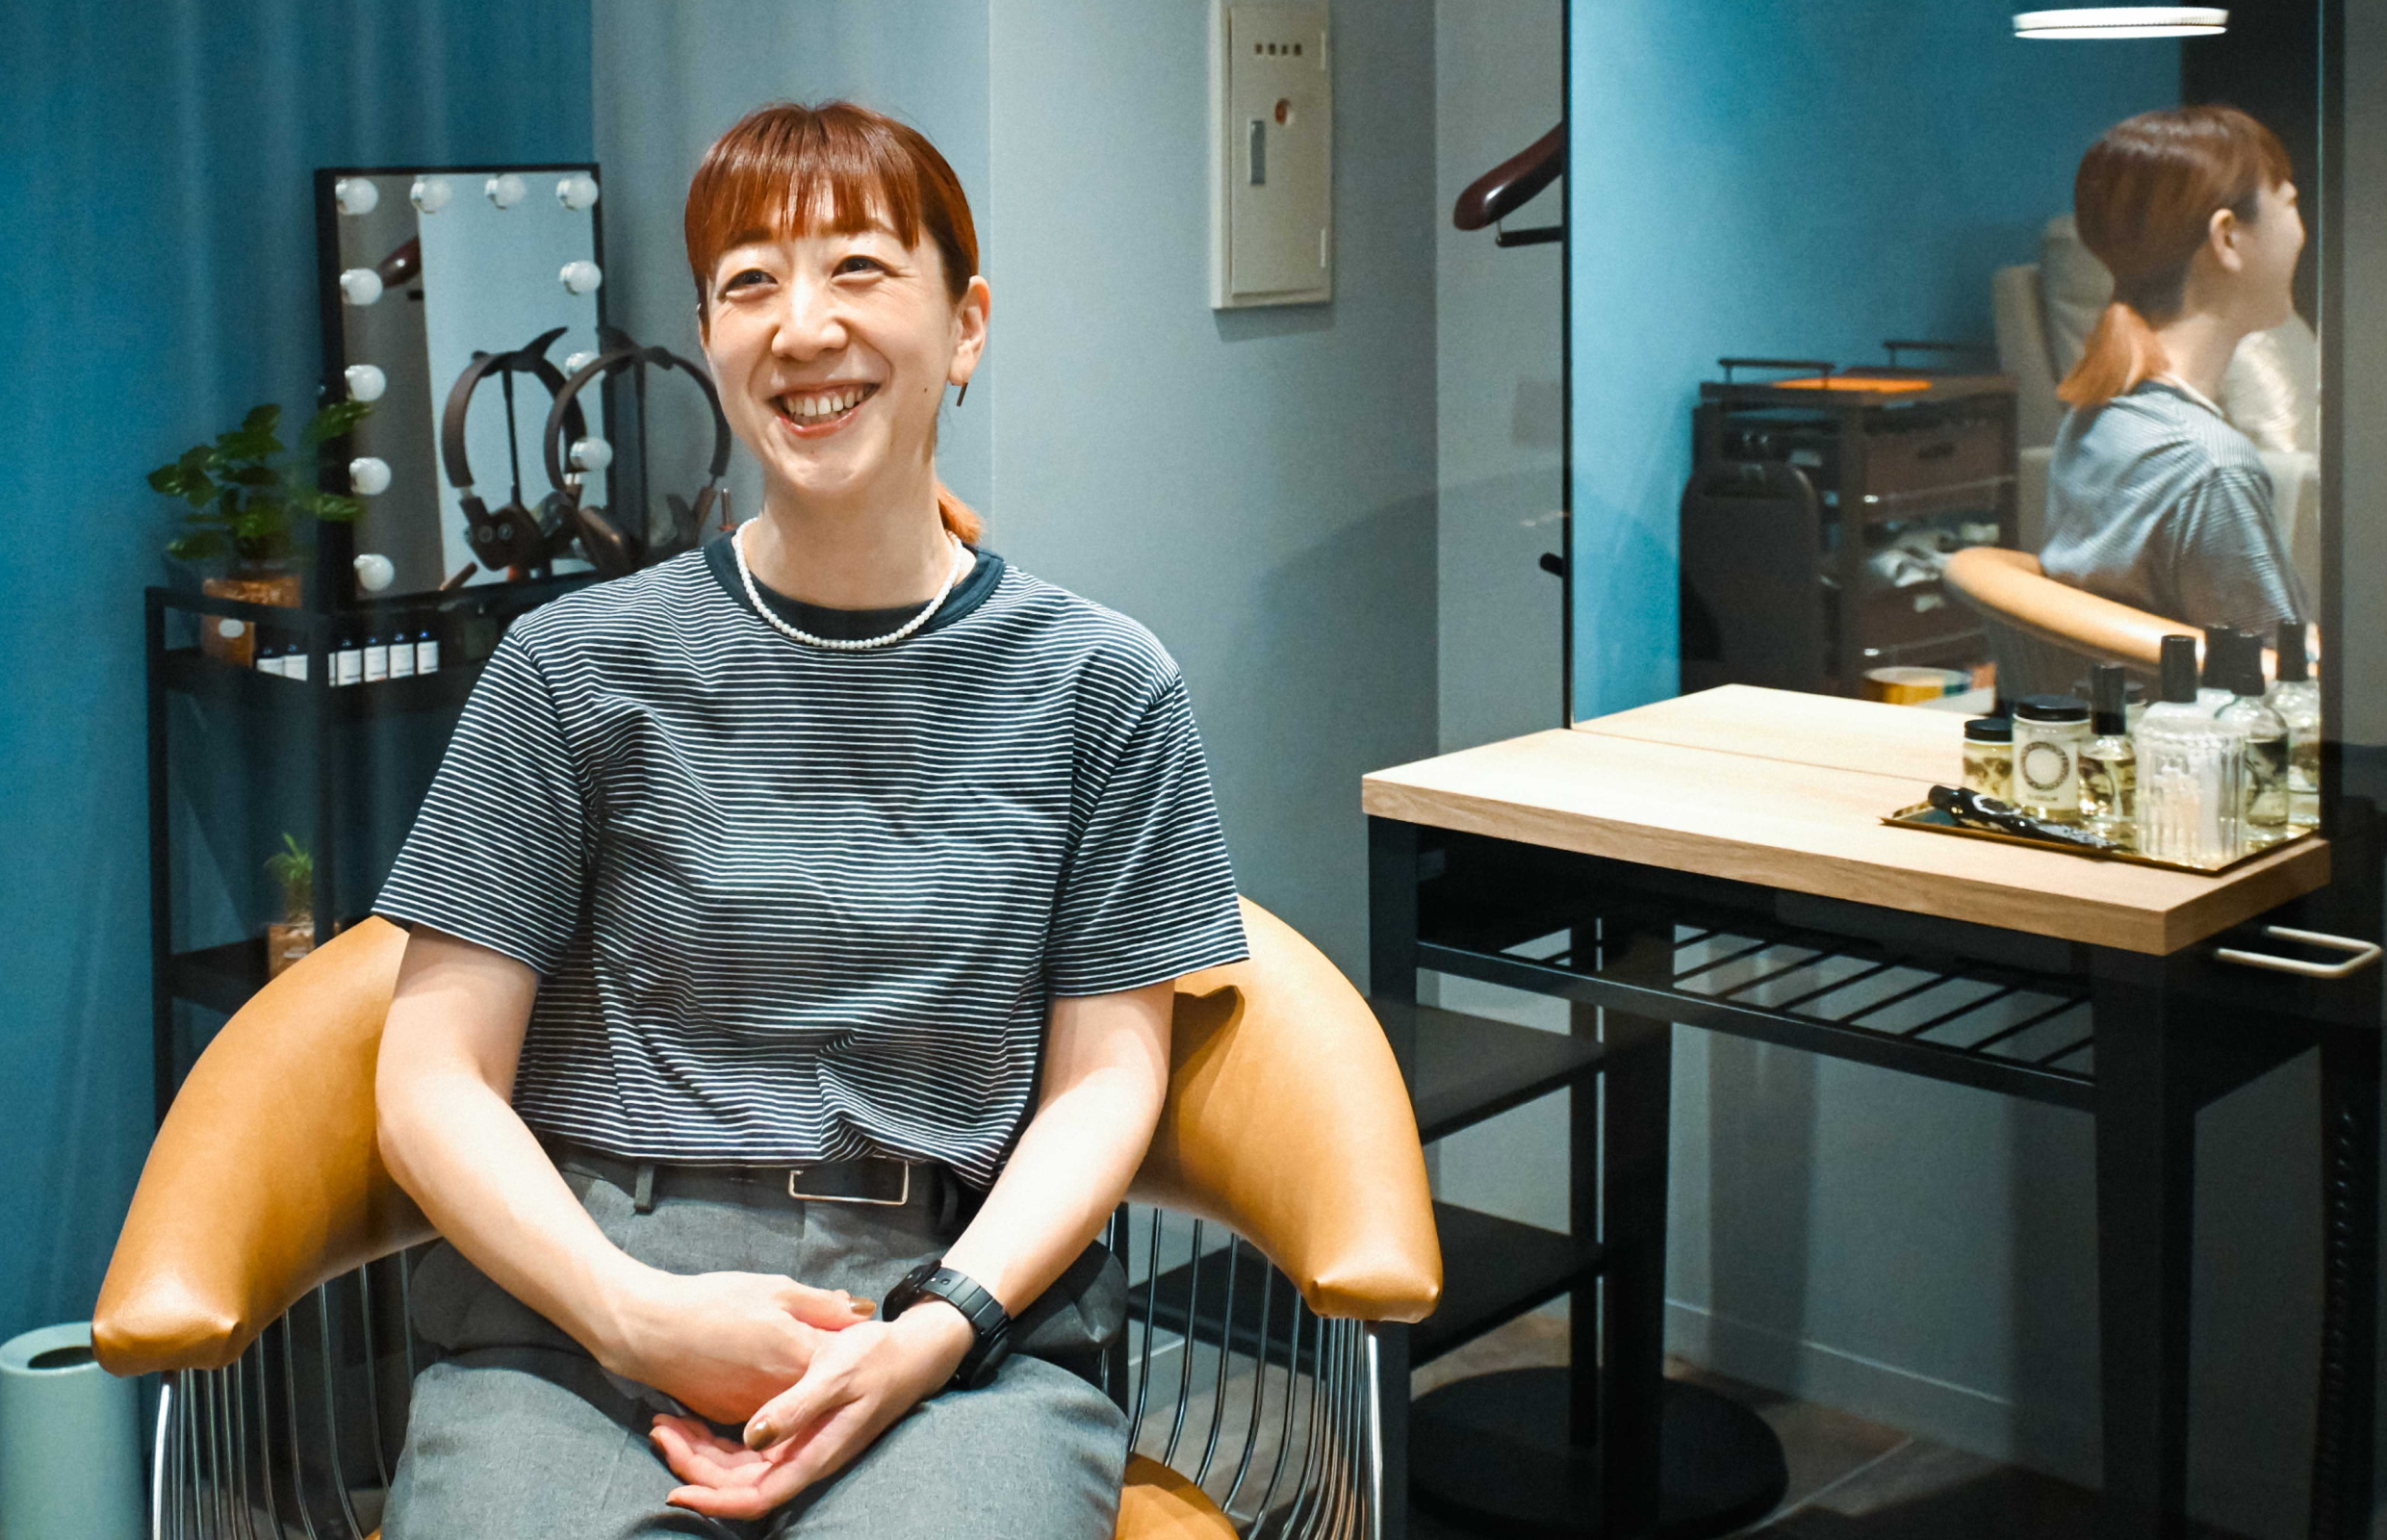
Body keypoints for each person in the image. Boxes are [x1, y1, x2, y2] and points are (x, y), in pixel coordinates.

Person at [371, 100, 1247, 1538]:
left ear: (965, 327)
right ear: (710, 340)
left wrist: (943, 1325)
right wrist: (634, 1314)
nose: (801, 328)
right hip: (586, 1301)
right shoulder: (573, 668)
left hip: (950, 1311)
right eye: (750, 283)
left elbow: (1104, 1078)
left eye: (857, 269)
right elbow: (429, 1078)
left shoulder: (1099, 683)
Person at [2039, 105, 2312, 633]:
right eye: (2290, 204)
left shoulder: (2095, 419)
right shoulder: (2212, 468)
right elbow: (2277, 671)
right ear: (2227, 238)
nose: (2302, 233)